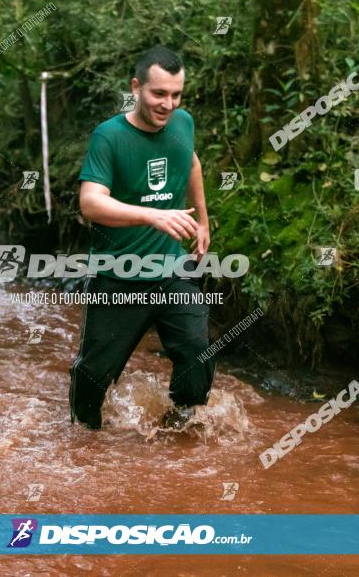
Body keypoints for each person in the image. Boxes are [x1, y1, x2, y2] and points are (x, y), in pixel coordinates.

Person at [69, 46, 214, 430]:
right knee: (94, 375)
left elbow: (192, 160)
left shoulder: (183, 123)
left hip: (171, 269)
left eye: (176, 95)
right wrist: (152, 215)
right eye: (158, 94)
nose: (168, 104)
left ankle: (179, 428)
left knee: (197, 352)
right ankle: (83, 441)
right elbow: (91, 203)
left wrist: (202, 218)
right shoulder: (109, 136)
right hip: (117, 274)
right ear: (136, 87)